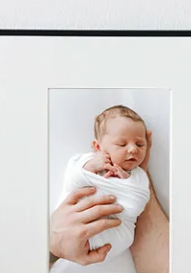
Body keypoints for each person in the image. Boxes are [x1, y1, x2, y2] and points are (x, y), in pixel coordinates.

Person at [54, 106, 153, 264]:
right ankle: (69, 245)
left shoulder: (138, 176)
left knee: (123, 236)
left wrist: (125, 181)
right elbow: (71, 182)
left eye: (140, 144)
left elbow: (135, 206)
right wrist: (90, 167)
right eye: (122, 144)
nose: (133, 149)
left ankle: (84, 246)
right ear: (98, 147)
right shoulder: (86, 161)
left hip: (115, 231)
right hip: (71, 221)